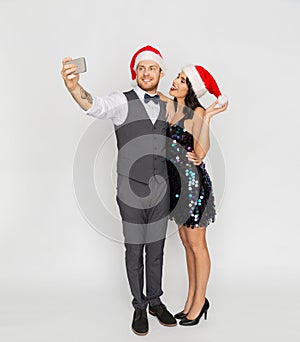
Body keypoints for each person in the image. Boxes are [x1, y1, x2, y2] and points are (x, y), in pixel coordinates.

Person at [61, 45, 186, 336]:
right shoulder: (121, 101)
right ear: (136, 72)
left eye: (152, 68)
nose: (146, 73)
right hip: (131, 189)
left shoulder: (168, 107)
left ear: (160, 72)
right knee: (135, 248)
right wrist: (73, 87)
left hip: (162, 188)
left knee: (156, 248)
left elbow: (193, 120)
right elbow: (92, 104)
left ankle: (156, 300)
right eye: (141, 68)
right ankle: (139, 305)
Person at [159, 64, 228, 326]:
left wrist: (207, 117)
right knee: (187, 244)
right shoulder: (170, 108)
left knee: (197, 245)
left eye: (183, 80)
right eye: (177, 77)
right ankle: (191, 300)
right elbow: (152, 90)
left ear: (191, 89)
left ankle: (200, 302)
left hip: (192, 185)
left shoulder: (195, 111)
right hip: (176, 186)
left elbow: (200, 152)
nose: (176, 81)